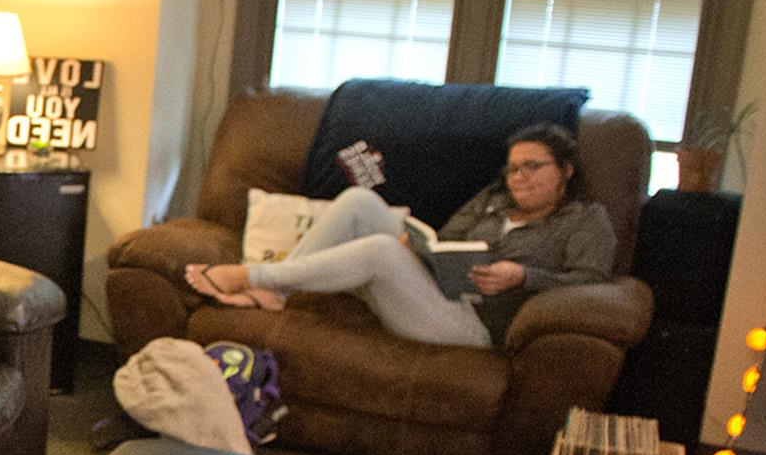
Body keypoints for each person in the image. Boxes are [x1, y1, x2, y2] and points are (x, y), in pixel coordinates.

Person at [185, 123, 616, 347]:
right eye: (514, 167)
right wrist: (423, 246)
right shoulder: (494, 199)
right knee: (359, 202)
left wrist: (523, 276)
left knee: (380, 251)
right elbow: (449, 237)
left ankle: (253, 277)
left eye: (533, 167)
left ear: (565, 171)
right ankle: (280, 292)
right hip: (436, 288)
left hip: (472, 323)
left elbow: (592, 281)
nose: (519, 177)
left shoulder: (585, 220)